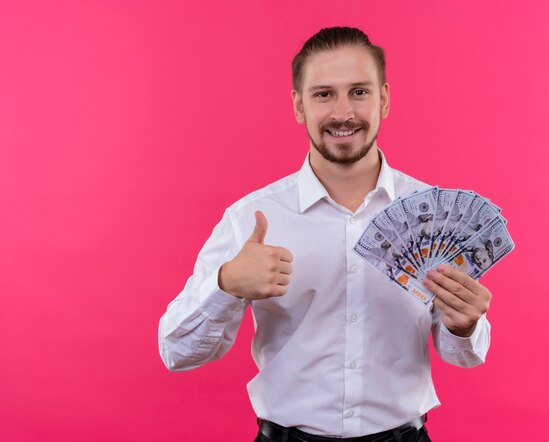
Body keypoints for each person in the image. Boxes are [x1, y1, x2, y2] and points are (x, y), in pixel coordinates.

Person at [158, 26, 493, 442]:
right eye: (323, 94)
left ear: (383, 99)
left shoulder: (434, 215)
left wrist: (463, 326)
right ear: (299, 106)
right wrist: (226, 284)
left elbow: (462, 355)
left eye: (358, 92)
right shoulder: (252, 219)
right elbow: (176, 352)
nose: (342, 112)